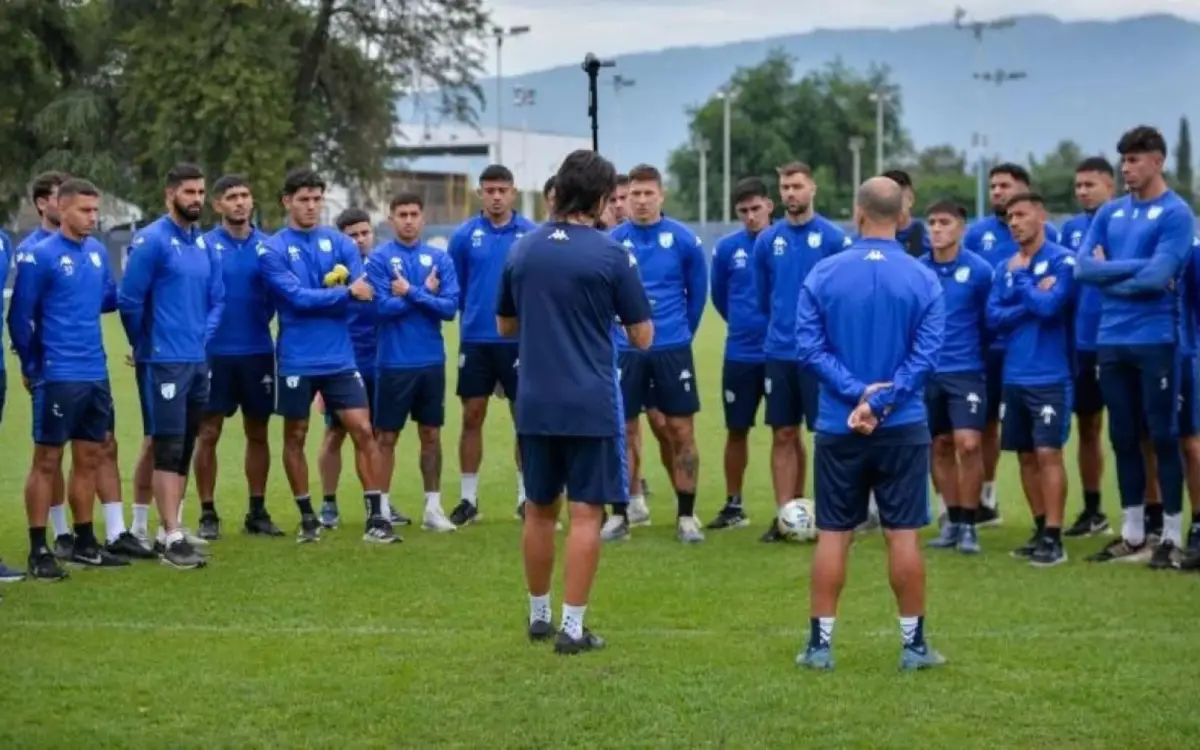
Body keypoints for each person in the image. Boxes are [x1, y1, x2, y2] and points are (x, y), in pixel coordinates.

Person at [498, 148, 653, 654]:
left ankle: (537, 616)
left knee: (540, 511)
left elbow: (505, 324)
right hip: (590, 399)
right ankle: (572, 628)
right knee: (586, 513)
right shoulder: (612, 254)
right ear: (602, 197)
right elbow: (644, 336)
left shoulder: (522, 249)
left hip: (535, 399)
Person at [794, 176, 946, 671]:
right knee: (902, 535)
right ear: (903, 217)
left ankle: (820, 646)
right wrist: (881, 401)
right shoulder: (924, 278)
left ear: (857, 214)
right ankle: (914, 647)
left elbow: (810, 349)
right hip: (902, 425)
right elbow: (926, 357)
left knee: (833, 534)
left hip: (840, 425)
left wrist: (856, 395)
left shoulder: (823, 274)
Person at [1076, 125, 1197, 567]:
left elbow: (1157, 276)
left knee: (1163, 435)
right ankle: (1132, 534)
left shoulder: (1177, 214)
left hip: (1157, 339)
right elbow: (1083, 270)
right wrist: (1139, 271)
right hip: (1111, 339)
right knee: (1122, 435)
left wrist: (1119, 273)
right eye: (1123, 160)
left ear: (1158, 161)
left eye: (1135, 160)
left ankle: (1170, 535)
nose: (1127, 168)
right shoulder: (1110, 214)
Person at [257, 168, 396, 544]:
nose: (311, 206)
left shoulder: (341, 243)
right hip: (297, 359)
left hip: (339, 358)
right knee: (296, 434)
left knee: (364, 431)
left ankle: (376, 519)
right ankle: (307, 518)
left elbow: (361, 294)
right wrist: (344, 295)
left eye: (317, 199)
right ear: (287, 201)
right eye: (303, 199)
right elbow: (295, 299)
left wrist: (340, 297)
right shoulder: (272, 249)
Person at [9, 178, 129, 579]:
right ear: (60, 208)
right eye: (84, 210)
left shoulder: (96, 253)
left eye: (96, 211)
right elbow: (19, 318)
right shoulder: (39, 256)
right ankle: (40, 548)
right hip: (57, 374)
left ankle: (85, 542)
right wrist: (32, 366)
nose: (92, 218)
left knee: (90, 457)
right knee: (48, 459)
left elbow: (107, 299)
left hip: (96, 371)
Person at [119, 164, 225, 569]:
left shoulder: (203, 245)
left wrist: (201, 337)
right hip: (162, 360)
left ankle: (170, 529)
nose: (196, 199)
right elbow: (130, 302)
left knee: (184, 446)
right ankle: (169, 537)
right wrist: (144, 343)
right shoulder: (151, 241)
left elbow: (217, 299)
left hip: (196, 360)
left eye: (200, 191)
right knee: (165, 445)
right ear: (170, 195)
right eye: (189, 192)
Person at [609, 164, 708, 543]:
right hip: (626, 350)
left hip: (671, 349)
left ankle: (686, 516)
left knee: (680, 429)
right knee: (624, 430)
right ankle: (620, 514)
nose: (642, 200)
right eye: (635, 193)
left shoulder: (684, 240)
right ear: (627, 197)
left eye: (649, 193)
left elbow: (698, 296)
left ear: (661, 196)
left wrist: (680, 336)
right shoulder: (614, 241)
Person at [753, 162, 849, 542]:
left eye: (796, 186)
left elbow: (844, 299)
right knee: (783, 434)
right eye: (784, 187)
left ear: (813, 189)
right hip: (779, 352)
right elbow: (764, 298)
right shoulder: (767, 241)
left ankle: (831, 515)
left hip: (821, 355)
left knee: (825, 435)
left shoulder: (833, 238)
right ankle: (785, 516)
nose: (790, 193)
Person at [963, 163, 1061, 526]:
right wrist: (1028, 299)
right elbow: (988, 306)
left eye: (1004, 185)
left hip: (1036, 354)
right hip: (988, 347)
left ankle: (1050, 525)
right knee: (987, 424)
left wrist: (1023, 299)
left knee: (1043, 442)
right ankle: (986, 497)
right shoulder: (978, 234)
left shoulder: (1051, 239)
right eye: (992, 186)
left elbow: (1055, 299)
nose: (997, 193)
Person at [986, 193, 1077, 566]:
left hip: (1050, 376)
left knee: (1048, 453)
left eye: (1021, 214)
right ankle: (1040, 529)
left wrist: (1023, 286)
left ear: (1041, 215)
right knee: (1024, 456)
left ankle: (1055, 537)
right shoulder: (1004, 266)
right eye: (1009, 216)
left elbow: (1052, 306)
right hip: (1014, 375)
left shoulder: (1062, 260)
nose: (1014, 222)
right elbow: (993, 316)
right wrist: (1030, 297)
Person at [191, 174, 281, 540]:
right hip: (214, 354)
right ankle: (208, 513)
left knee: (258, 432)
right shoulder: (204, 245)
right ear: (218, 205)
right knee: (208, 432)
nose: (240, 202)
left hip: (258, 352)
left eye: (245, 195)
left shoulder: (269, 247)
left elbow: (277, 296)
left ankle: (256, 511)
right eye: (231, 197)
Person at [447, 164, 536, 525]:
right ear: (480, 194)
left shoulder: (530, 234)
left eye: (502, 190)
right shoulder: (464, 236)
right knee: (471, 416)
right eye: (490, 190)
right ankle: (468, 500)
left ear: (513, 192)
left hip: (519, 340)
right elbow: (457, 288)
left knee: (525, 419)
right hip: (477, 339)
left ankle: (526, 497)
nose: (496, 196)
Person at [368, 193, 460, 533]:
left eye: (414, 214)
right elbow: (379, 310)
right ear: (391, 219)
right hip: (393, 362)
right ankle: (379, 511)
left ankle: (433, 509)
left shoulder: (439, 258)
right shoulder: (379, 259)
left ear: (423, 218)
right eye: (402, 214)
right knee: (387, 437)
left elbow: (450, 309)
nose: (408, 220)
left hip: (431, 361)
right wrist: (424, 293)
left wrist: (408, 291)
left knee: (431, 434)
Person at [315, 208, 409, 529]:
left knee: (380, 434)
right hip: (343, 362)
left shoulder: (383, 266)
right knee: (336, 432)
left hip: (381, 361)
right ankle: (328, 504)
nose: (359, 240)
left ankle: (380, 503)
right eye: (352, 235)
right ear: (342, 238)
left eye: (364, 233)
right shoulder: (333, 270)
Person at [920, 201, 992, 554]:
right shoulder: (917, 270)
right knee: (940, 445)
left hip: (966, 371)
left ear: (961, 227)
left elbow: (989, 320)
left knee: (969, 443)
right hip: (928, 372)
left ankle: (969, 524)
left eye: (944, 222)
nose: (935, 229)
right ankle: (951, 520)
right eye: (931, 222)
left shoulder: (979, 271)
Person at [704, 177, 773, 531]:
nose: (750, 217)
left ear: (769, 206)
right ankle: (734, 505)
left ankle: (788, 508)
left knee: (787, 432)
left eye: (755, 209)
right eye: (743, 211)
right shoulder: (728, 248)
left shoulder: (783, 243)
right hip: (740, 354)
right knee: (736, 430)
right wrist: (744, 325)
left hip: (780, 355)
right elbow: (719, 296)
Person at [1060, 157, 1116, 537]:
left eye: (1090, 184)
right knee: (1088, 427)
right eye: (1078, 185)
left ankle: (1152, 512)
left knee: (1140, 433)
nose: (1082, 191)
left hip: (1122, 338)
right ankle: (1093, 509)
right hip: (1083, 343)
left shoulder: (1125, 222)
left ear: (1109, 185)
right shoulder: (1070, 229)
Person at [882, 169, 932, 257]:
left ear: (910, 199)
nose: (891, 204)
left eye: (897, 198)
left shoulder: (930, 243)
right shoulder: (868, 239)